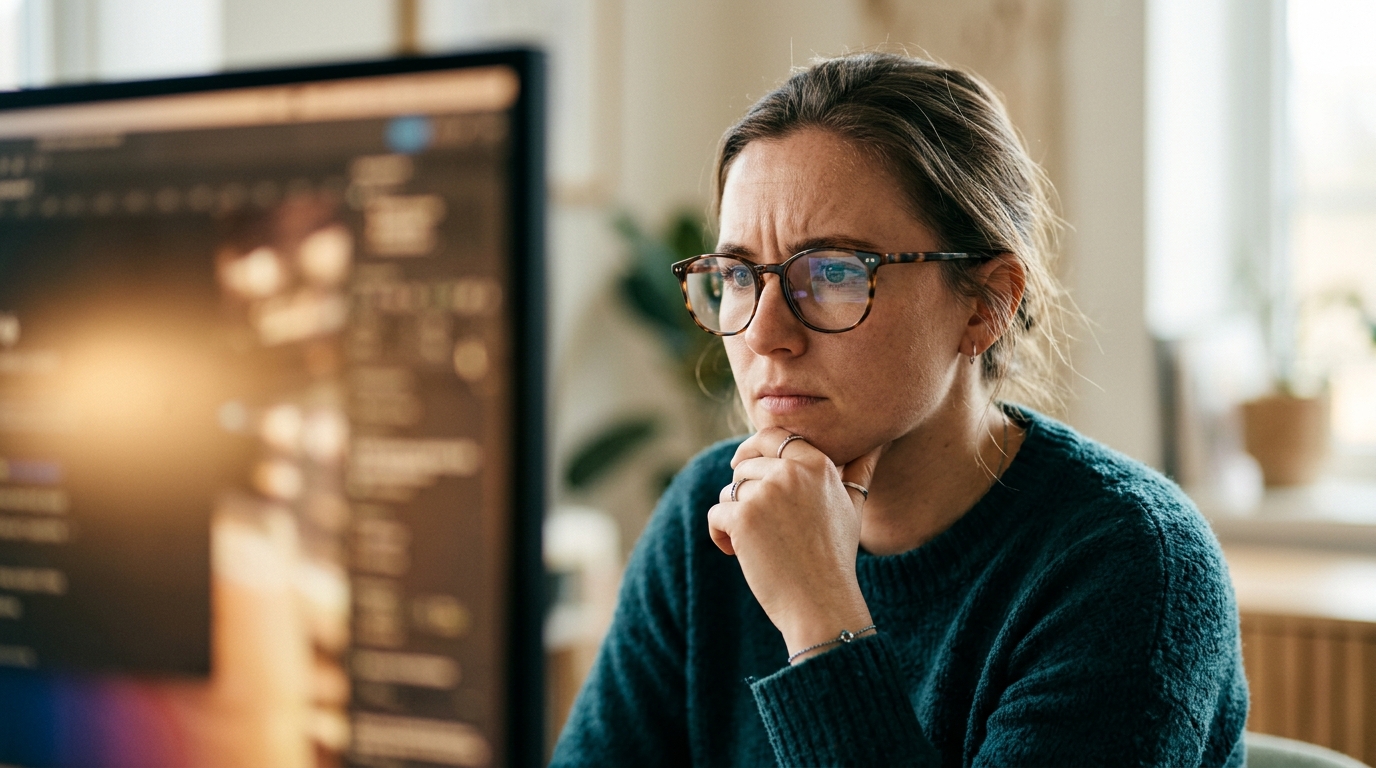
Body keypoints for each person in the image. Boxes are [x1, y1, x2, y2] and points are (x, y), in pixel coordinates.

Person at [551, 52, 1247, 767]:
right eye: (735, 276)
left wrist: (820, 622)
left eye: (832, 273)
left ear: (986, 306)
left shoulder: (1128, 562)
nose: (762, 333)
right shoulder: (709, 511)